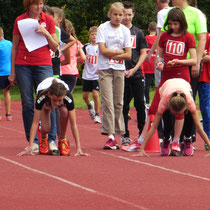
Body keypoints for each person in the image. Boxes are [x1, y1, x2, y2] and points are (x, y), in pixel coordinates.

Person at [124, 8, 197, 155]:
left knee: (180, 107)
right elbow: (160, 56)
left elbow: (194, 59)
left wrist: (179, 61)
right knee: (154, 109)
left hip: (182, 77)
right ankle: (141, 140)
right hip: (166, 77)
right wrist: (160, 63)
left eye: (175, 24)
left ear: (181, 22)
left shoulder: (188, 37)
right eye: (170, 24)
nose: (173, 27)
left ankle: (178, 140)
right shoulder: (164, 36)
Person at [8, 0, 59, 153]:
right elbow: (15, 46)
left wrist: (47, 34)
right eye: (35, 3)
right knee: (28, 103)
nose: (39, 7)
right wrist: (12, 71)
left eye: (41, 3)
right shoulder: (20, 20)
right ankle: (33, 142)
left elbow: (55, 47)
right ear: (28, 5)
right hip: (23, 65)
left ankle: (51, 140)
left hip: (43, 64)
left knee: (50, 100)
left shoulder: (48, 19)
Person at [163, 0, 207, 143]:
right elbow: (163, 36)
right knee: (169, 100)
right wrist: (158, 58)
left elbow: (202, 38)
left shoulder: (196, 14)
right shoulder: (170, 13)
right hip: (170, 65)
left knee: (187, 101)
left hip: (188, 63)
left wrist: (197, 62)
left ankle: (187, 137)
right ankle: (169, 137)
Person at [135, 78, 210, 157]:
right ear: (169, 107)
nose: (177, 116)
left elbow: (199, 128)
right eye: (175, 114)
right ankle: (166, 139)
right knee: (167, 123)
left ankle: (187, 139)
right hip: (166, 87)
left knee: (190, 118)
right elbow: (153, 127)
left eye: (179, 114)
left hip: (185, 86)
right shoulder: (164, 102)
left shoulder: (189, 102)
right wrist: (142, 148)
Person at [17, 77, 89, 156]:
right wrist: (30, 146)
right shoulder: (42, 97)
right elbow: (35, 122)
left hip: (57, 96)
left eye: (59, 100)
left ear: (64, 96)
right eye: (54, 100)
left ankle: (62, 139)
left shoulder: (68, 97)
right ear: (49, 95)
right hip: (46, 103)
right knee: (46, 128)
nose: (57, 103)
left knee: (64, 111)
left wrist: (79, 148)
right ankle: (44, 138)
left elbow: (73, 124)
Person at [96, 2, 131, 149]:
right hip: (105, 68)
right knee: (107, 101)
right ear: (110, 14)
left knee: (119, 102)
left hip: (119, 68)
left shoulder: (125, 31)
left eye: (120, 15)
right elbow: (103, 50)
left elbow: (128, 55)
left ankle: (120, 132)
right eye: (115, 14)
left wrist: (116, 54)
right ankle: (110, 135)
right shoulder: (103, 28)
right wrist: (118, 53)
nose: (117, 17)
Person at [120, 1, 147, 146]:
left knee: (140, 104)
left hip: (136, 74)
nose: (126, 17)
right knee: (123, 105)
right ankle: (124, 134)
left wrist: (134, 69)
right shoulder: (116, 32)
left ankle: (142, 133)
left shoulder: (138, 32)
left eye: (129, 14)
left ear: (133, 15)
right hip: (121, 74)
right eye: (124, 14)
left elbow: (143, 53)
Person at [60, 19, 86, 93]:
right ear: (70, 31)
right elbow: (83, 57)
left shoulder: (58, 42)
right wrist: (75, 59)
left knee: (58, 93)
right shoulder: (77, 43)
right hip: (71, 71)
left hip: (59, 70)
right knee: (68, 95)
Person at [82, 26, 101, 124]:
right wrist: (82, 59)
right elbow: (79, 57)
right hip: (87, 74)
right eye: (92, 34)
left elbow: (105, 58)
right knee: (85, 96)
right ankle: (90, 106)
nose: (94, 36)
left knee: (95, 94)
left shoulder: (101, 47)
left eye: (96, 34)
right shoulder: (86, 47)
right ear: (89, 36)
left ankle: (97, 115)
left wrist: (100, 68)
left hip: (96, 75)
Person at [198, 32, 210, 150]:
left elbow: (207, 57)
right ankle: (187, 138)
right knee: (186, 106)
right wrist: (201, 56)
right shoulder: (187, 36)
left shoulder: (208, 37)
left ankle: (208, 138)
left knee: (205, 108)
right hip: (189, 75)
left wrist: (200, 56)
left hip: (205, 77)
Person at [143, 22, 157, 105]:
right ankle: (158, 101)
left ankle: (147, 101)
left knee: (147, 85)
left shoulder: (145, 38)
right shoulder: (158, 39)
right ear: (156, 30)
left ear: (148, 29)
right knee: (158, 84)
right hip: (156, 63)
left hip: (147, 64)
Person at [0, 27, 13, 121]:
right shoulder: (10, 44)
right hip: (8, 72)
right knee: (6, 92)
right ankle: (8, 114)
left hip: (1, 72)